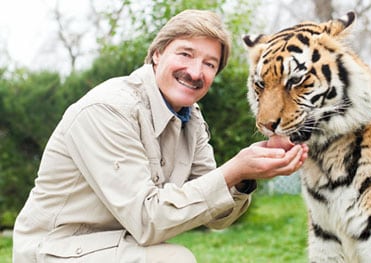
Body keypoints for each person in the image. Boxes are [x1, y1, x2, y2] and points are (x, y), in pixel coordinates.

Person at [12, 9, 308, 263]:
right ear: (156, 54)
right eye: (185, 54)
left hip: (118, 244)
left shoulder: (191, 118)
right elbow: (147, 220)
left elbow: (217, 218)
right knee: (172, 260)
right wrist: (235, 168)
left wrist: (245, 176)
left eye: (209, 64)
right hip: (52, 251)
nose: (195, 72)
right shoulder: (108, 109)